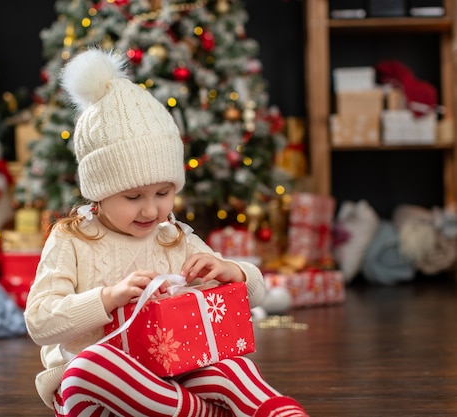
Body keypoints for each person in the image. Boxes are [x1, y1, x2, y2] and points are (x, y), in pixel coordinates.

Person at [24, 48, 309, 417]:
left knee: (230, 366)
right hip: (99, 390)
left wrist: (233, 274)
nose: (151, 209)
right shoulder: (73, 240)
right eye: (132, 196)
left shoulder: (172, 236)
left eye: (164, 193)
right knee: (86, 368)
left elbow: (253, 294)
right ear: (99, 191)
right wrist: (108, 298)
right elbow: (40, 323)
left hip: (170, 381)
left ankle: (275, 412)